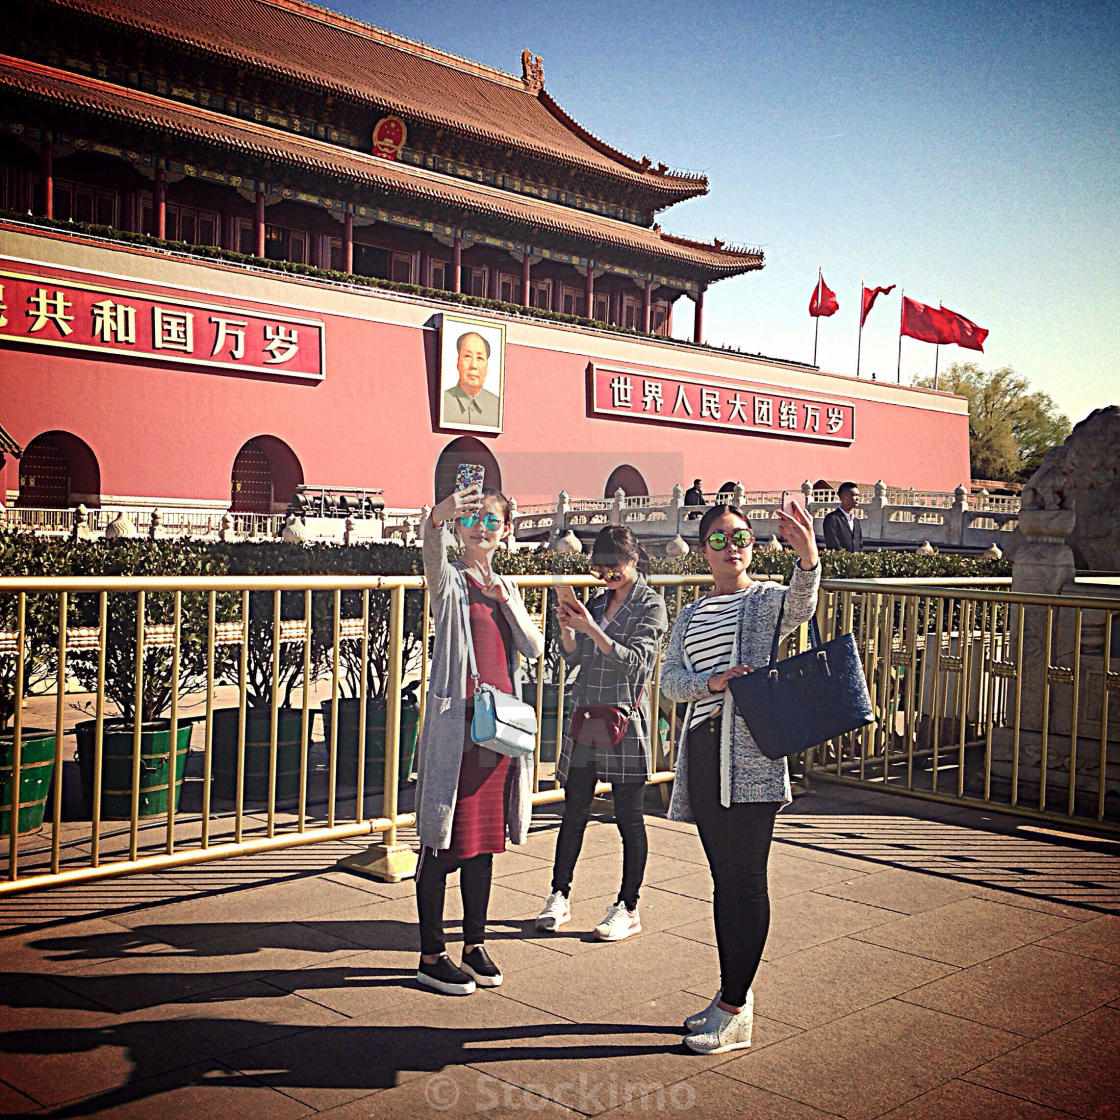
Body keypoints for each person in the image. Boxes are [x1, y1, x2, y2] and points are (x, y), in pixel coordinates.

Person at [660, 500, 820, 1054]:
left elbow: (801, 605)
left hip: (749, 754)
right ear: (703, 549)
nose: (734, 547)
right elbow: (671, 684)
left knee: (747, 879)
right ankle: (731, 996)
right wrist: (713, 680)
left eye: (743, 538)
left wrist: (807, 557)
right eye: (722, 539)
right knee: (724, 881)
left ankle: (734, 1009)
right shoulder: (690, 615)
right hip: (704, 756)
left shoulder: (766, 600)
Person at [414, 483, 544, 995]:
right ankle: (430, 955)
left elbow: (533, 647)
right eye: (474, 519)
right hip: (458, 732)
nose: (482, 528)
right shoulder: (451, 581)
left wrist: (505, 600)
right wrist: (437, 518)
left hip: (499, 734)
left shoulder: (504, 585)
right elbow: (430, 557)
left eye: (492, 520)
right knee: (442, 844)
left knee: (484, 847)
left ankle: (474, 944)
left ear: (506, 530)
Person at [536, 526, 668, 941]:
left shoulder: (652, 605)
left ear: (633, 560)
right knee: (573, 809)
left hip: (623, 715)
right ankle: (559, 894)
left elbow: (637, 662)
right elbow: (575, 658)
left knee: (628, 816)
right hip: (587, 710)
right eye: (600, 567)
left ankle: (628, 905)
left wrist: (593, 628)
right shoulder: (598, 599)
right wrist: (568, 629)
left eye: (613, 566)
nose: (606, 574)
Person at [442, 330, 501, 428]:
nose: (473, 365)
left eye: (479, 358)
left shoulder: (498, 407)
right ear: (458, 362)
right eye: (467, 356)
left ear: (487, 366)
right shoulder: (443, 401)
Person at [822, 481, 862, 552]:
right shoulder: (832, 519)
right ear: (843, 497)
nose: (857, 498)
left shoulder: (855, 521)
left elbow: (860, 544)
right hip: (839, 561)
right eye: (854, 495)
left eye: (858, 495)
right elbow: (832, 544)